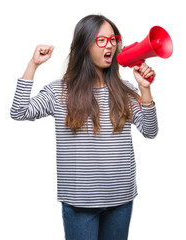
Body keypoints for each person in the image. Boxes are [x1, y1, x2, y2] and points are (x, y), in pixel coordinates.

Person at [11, 14, 158, 240]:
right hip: (80, 201)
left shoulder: (125, 90)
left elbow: (150, 131)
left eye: (113, 39)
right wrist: (33, 65)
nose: (110, 45)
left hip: (121, 198)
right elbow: (19, 111)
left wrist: (145, 90)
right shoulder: (59, 91)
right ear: (84, 45)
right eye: (101, 40)